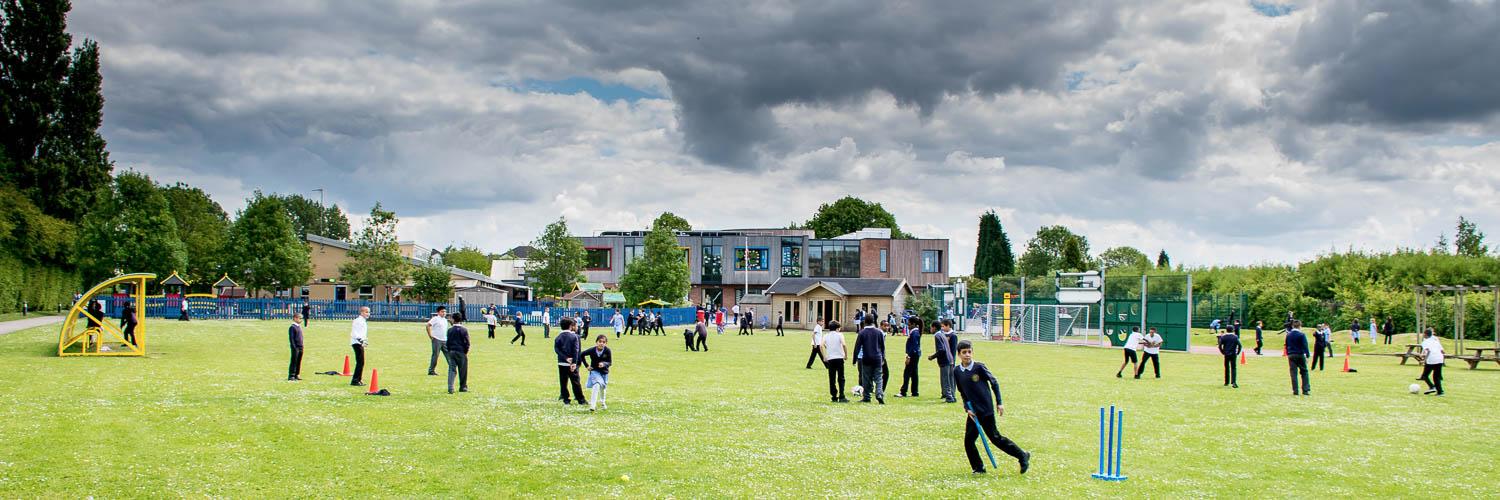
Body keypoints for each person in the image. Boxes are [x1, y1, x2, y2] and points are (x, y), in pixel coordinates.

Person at [953, 340, 1031, 475]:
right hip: (973, 412)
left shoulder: (979, 367)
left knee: (995, 438)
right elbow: (962, 391)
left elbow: (994, 383)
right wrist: (967, 408)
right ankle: (978, 468)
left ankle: (1022, 455)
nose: (967, 355)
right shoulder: (957, 371)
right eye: (964, 352)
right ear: (959, 354)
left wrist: (999, 402)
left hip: (985, 410)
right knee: (969, 441)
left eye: (969, 352)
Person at [554, 317, 587, 405]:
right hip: (571, 364)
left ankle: (566, 399)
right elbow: (576, 350)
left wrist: (565, 358)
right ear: (570, 326)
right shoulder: (574, 337)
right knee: (575, 382)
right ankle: (581, 400)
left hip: (561, 362)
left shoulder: (558, 337)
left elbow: (557, 350)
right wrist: (574, 362)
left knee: (563, 382)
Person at [854, 316, 887, 404]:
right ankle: (879, 394)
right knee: (878, 377)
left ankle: (867, 397)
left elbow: (857, 347)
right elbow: (882, 347)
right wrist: (883, 357)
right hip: (877, 358)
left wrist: (854, 359)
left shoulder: (862, 332)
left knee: (866, 378)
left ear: (865, 322)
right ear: (873, 321)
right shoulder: (879, 332)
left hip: (867, 357)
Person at [581, 335, 614, 411]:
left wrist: (604, 364)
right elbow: (582, 354)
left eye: (603, 342)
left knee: (603, 387)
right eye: (600, 341)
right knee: (596, 384)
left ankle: (602, 402)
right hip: (594, 371)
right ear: (596, 342)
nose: (601, 343)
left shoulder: (607, 351)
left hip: (604, 372)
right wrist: (587, 366)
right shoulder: (592, 350)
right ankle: (592, 405)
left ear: (606, 343)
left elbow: (610, 362)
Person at [929, 319, 958, 403]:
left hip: (945, 360)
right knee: (950, 379)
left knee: (945, 380)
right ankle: (952, 396)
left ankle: (949, 397)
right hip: (950, 359)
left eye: (931, 327)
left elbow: (941, 350)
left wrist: (932, 357)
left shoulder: (937, 336)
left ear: (934, 328)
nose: (930, 329)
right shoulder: (942, 335)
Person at [819, 320, 848, 403]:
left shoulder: (826, 336)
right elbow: (844, 345)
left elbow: (821, 346)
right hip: (839, 358)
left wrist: (824, 356)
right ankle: (842, 395)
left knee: (832, 378)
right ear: (837, 328)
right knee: (841, 377)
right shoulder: (840, 335)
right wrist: (846, 355)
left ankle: (834, 396)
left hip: (830, 359)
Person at [445, 312, 471, 394]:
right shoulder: (464, 330)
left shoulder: (450, 330)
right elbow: (467, 342)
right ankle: (463, 387)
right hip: (461, 352)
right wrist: (466, 351)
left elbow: (448, 342)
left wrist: (449, 350)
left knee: (452, 370)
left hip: (452, 351)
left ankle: (450, 387)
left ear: (453, 319)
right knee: (463, 370)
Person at [898, 317, 923, 397]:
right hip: (915, 354)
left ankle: (903, 391)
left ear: (913, 324)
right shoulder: (915, 332)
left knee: (907, 373)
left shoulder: (914, 333)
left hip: (913, 355)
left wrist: (909, 356)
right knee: (914, 373)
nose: (908, 326)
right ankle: (915, 392)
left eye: (909, 324)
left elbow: (914, 346)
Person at [1285, 320, 1311, 395]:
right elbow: (1305, 345)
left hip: (1291, 354)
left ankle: (1295, 390)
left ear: (1292, 326)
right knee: (1304, 372)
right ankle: (1305, 390)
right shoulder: (1301, 335)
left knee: (1293, 373)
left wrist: (1288, 353)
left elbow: (1286, 345)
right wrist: (1307, 355)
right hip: (1300, 354)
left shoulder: (1288, 335)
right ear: (1300, 326)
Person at [1418, 327, 1445, 396]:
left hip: (1431, 359)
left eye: (1424, 334)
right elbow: (1442, 351)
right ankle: (1440, 392)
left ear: (1425, 334)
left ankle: (1432, 387)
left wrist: (1424, 360)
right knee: (1436, 376)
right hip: (1440, 359)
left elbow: (1428, 351)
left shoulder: (1425, 342)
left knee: (1424, 376)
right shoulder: (1436, 341)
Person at [427, 306, 450, 376]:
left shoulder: (445, 320)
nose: (444, 313)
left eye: (445, 312)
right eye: (442, 312)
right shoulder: (435, 319)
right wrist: (430, 336)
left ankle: (452, 369)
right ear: (438, 312)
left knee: (449, 355)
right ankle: (431, 370)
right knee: (435, 355)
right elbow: (428, 325)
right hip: (437, 339)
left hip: (444, 340)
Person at [350, 307, 370, 386]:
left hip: (359, 342)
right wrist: (361, 340)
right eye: (366, 312)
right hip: (357, 343)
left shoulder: (362, 321)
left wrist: (364, 341)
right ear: (361, 312)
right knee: (360, 362)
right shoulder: (358, 321)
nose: (368, 314)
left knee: (361, 362)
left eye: (368, 312)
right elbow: (354, 333)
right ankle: (355, 380)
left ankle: (358, 379)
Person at [288, 313, 304, 381]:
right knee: (294, 361)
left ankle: (297, 374)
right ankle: (291, 375)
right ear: (295, 318)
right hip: (296, 347)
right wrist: (294, 347)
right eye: (300, 318)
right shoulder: (292, 327)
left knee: (298, 361)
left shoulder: (299, 327)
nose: (301, 320)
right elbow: (291, 339)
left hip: (300, 347)